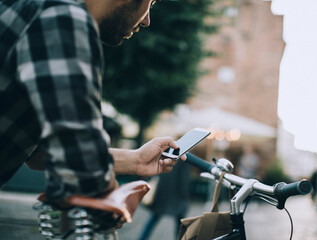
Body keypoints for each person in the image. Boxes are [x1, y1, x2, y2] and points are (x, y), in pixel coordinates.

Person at [0, 0, 185, 204]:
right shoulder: (62, 17)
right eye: (150, 3)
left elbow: (41, 153)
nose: (147, 21)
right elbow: (84, 159)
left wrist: (137, 161)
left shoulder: (38, 9)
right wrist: (112, 203)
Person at [138, 160, 191, 240]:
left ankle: (142, 238)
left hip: (162, 190)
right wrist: (184, 196)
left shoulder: (167, 150)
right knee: (180, 223)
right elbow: (184, 178)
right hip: (176, 194)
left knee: (155, 216)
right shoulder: (185, 157)